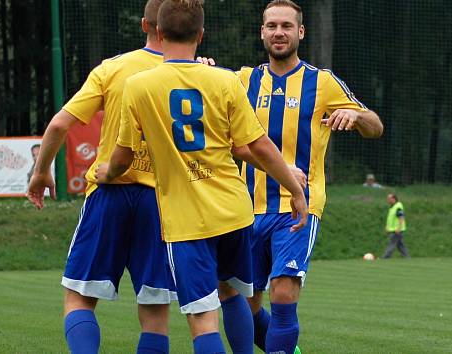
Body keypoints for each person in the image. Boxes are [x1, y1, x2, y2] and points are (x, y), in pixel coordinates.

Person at [94, 1, 308, 353]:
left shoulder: (138, 86)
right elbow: (258, 145)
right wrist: (292, 188)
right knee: (232, 293)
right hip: (234, 211)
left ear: (158, 33)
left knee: (202, 319)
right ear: (201, 35)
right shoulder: (224, 80)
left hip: (187, 219)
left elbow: (124, 154)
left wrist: (107, 173)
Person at [228, 1, 384, 352]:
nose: (278, 32)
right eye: (271, 26)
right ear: (262, 32)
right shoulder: (241, 81)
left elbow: (376, 126)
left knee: (283, 292)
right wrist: (203, 67)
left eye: (286, 25)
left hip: (298, 207)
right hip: (245, 208)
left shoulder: (322, 82)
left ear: (300, 32)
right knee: (245, 307)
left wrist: (355, 116)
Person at [26, 1, 177, 353]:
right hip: (161, 202)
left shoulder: (113, 69)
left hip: (109, 193)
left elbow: (61, 123)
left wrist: (40, 171)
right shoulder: (193, 73)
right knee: (155, 313)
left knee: (78, 298)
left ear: (144, 25)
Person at [382, 193, 409, 258]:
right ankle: (407, 257)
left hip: (396, 230)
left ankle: (385, 257)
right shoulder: (392, 207)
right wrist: (387, 226)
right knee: (400, 245)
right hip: (393, 229)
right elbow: (391, 219)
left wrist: (398, 228)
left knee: (392, 243)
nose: (387, 200)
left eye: (389, 199)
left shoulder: (398, 206)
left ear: (393, 199)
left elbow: (401, 217)